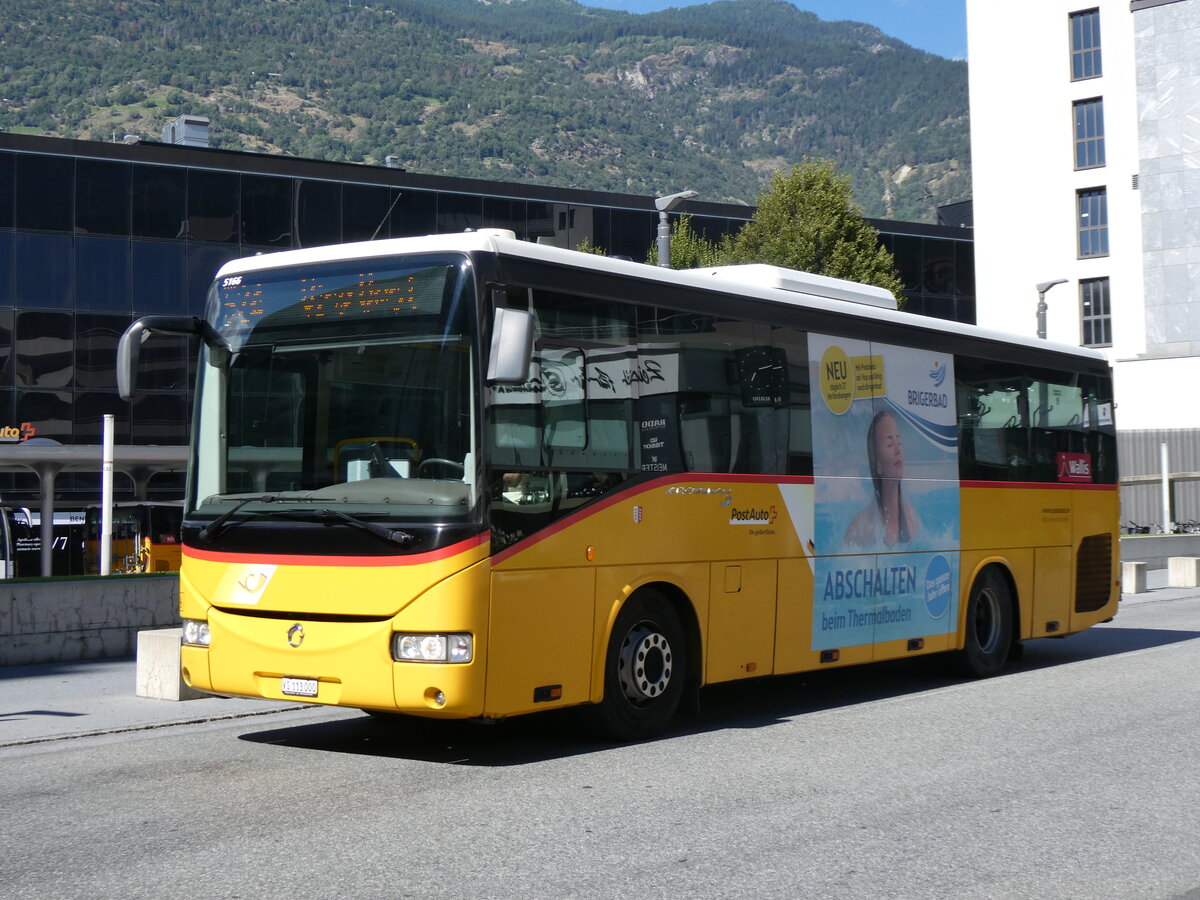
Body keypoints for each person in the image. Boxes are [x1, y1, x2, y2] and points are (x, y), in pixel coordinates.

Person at [843, 408, 921, 549]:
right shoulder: (860, 529)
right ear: (878, 465)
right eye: (890, 444)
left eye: (899, 442)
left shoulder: (911, 517)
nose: (898, 450)